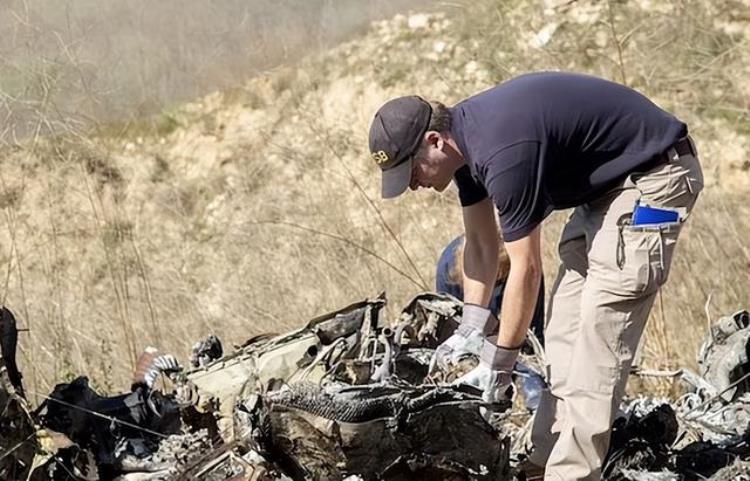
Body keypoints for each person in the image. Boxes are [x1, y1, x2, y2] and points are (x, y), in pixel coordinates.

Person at [368, 72, 702, 481]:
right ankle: (544, 460)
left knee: (600, 339)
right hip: (606, 194)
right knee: (563, 332)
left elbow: (525, 268)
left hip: (656, 178)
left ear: (434, 141)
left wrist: (500, 363)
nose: (414, 185)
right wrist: (471, 327)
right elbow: (480, 242)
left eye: (411, 172)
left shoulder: (503, 151)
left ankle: (572, 474)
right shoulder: (466, 151)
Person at [435, 233, 547, 410]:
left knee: (523, 339)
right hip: (459, 289)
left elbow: (531, 335)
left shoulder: (525, 269)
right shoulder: (447, 270)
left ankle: (536, 399)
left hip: (517, 278)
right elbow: (448, 328)